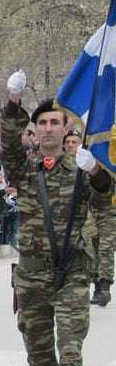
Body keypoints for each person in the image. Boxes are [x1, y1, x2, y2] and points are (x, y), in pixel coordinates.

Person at [2, 70, 112, 366]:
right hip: (32, 276)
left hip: (71, 274)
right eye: (42, 123)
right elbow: (10, 149)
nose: (49, 128)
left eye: (55, 122)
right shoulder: (25, 171)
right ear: (34, 131)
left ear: (67, 129)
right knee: (38, 351)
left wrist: (95, 169)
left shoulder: (79, 169)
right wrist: (14, 105)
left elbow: (105, 196)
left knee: (70, 347)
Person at [64, 129, 115, 306]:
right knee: (87, 247)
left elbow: (104, 185)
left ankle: (104, 285)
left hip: (104, 209)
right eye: (68, 142)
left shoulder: (97, 159)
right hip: (82, 212)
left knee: (104, 247)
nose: (71, 145)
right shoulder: (63, 164)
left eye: (74, 141)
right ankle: (94, 282)